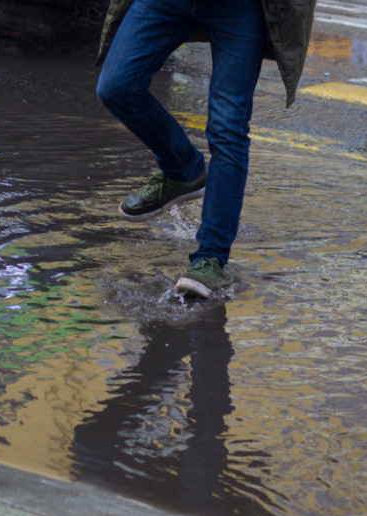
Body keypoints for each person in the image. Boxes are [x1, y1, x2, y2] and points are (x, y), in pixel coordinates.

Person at [96, 0, 316, 298]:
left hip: (240, 7)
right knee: (117, 86)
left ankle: (210, 257)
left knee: (228, 127)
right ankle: (183, 170)